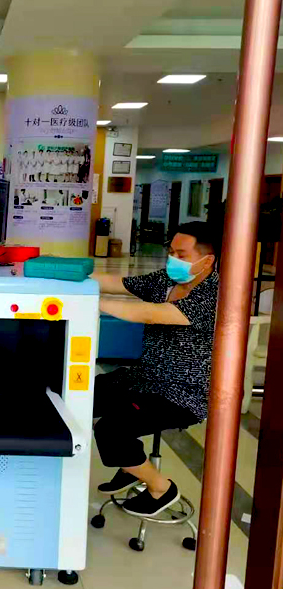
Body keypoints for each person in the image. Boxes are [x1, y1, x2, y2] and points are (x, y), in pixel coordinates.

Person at [91, 221, 219, 517]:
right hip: (144, 378)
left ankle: (161, 487)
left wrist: (90, 303)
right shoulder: (165, 281)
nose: (173, 260)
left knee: (111, 430)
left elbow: (150, 313)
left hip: (181, 394)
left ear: (207, 260)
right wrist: (65, 278)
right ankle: (131, 465)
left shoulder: (213, 295)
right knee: (81, 395)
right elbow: (118, 283)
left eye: (182, 255)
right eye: (171, 252)